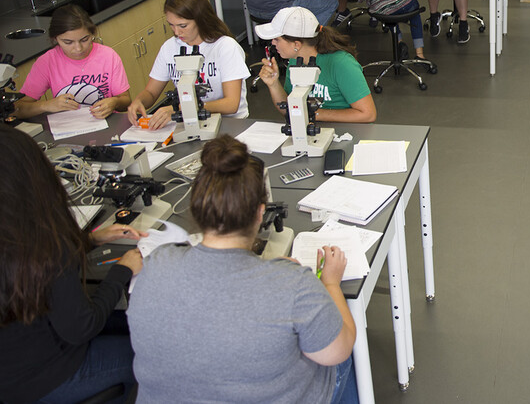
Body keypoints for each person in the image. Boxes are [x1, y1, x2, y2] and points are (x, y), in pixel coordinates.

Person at [127, 135, 359, 404]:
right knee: (341, 353)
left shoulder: (156, 263)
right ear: (261, 213)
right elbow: (337, 351)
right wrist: (329, 284)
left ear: (196, 206)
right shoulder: (293, 284)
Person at [0, 125, 146, 404]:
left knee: (129, 322)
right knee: (148, 351)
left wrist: (88, 240)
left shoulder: (15, 237)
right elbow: (82, 327)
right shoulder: (46, 245)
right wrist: (122, 270)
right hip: (44, 378)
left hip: (11, 368)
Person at [127, 0, 250, 130]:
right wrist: (138, 101)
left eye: (183, 25)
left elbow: (231, 104)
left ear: (200, 19)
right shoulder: (169, 48)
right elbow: (151, 92)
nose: (177, 32)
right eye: (171, 25)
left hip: (230, 124)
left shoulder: (225, 47)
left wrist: (182, 109)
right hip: (189, 123)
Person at [257, 7, 377, 123]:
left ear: (296, 45)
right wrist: (273, 84)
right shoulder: (295, 60)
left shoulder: (341, 63)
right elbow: (289, 110)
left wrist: (313, 114)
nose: (273, 43)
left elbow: (368, 114)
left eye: (277, 39)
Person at [14, 4, 131, 119]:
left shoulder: (108, 56)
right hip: (68, 128)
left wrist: (114, 102)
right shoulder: (47, 62)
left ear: (92, 33)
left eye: (85, 39)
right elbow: (18, 109)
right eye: (68, 42)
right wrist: (46, 105)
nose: (78, 48)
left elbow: (125, 101)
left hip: (107, 124)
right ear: (55, 39)